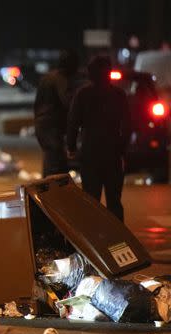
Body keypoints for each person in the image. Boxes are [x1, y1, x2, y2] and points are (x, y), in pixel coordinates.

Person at [66, 56, 131, 221]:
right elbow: (128, 125)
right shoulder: (118, 94)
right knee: (114, 201)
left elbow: (73, 123)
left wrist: (72, 148)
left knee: (91, 201)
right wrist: (122, 149)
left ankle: (93, 239)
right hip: (113, 153)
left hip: (90, 152)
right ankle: (117, 238)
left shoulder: (83, 94)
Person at [34, 49, 80, 176]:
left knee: (51, 159)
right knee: (55, 163)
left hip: (42, 124)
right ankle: (50, 191)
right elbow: (67, 101)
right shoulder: (60, 79)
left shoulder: (48, 77)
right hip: (51, 126)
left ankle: (47, 190)